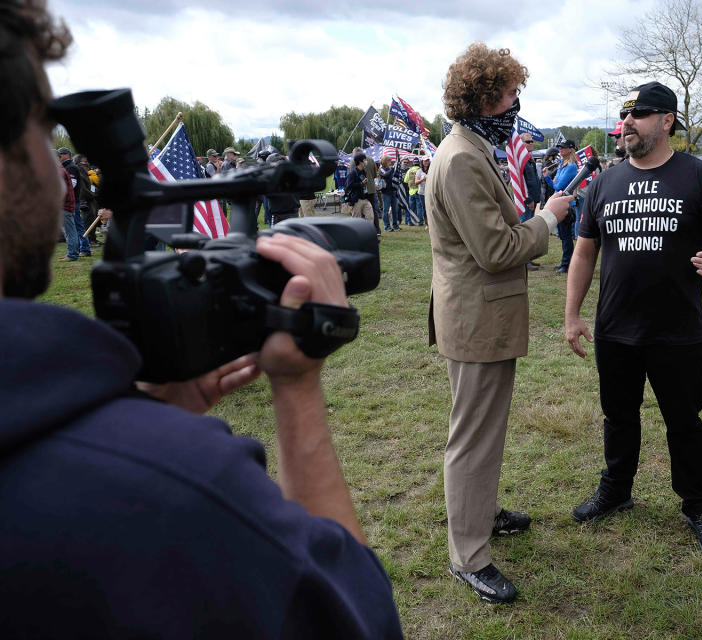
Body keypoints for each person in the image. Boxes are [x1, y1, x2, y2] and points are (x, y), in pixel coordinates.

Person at [0, 2, 403, 636]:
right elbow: (356, 616)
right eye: (40, 135)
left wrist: (145, 416)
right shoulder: (176, 487)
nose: (57, 173)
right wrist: (296, 388)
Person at [564, 81, 702, 558]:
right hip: (616, 329)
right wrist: (571, 315)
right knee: (618, 417)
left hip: (677, 330)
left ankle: (698, 505)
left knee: (684, 421)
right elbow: (584, 253)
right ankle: (616, 490)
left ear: (667, 121)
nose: (626, 124)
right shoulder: (604, 181)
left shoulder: (699, 176)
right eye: (625, 116)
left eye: (640, 114)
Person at [425, 42, 573, 604]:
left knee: (481, 433)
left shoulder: (471, 148)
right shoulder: (462, 156)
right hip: (476, 319)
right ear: (486, 98)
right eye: (511, 94)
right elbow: (495, 249)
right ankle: (469, 554)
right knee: (473, 440)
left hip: (477, 317)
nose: (517, 104)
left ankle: (479, 513)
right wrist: (546, 218)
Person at [543, 138, 579, 272]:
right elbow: (557, 184)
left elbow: (558, 185)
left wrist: (548, 178)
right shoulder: (562, 165)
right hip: (562, 201)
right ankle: (565, 262)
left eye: (563, 147)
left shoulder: (571, 166)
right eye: (560, 147)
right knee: (564, 235)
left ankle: (566, 264)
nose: (560, 149)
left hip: (566, 204)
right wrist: (551, 180)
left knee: (566, 236)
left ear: (570, 149)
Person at [58, 146, 92, 257]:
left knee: (77, 226)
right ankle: (83, 249)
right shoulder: (68, 167)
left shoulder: (71, 167)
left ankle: (84, 249)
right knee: (76, 226)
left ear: (67, 155)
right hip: (74, 201)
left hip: (74, 201)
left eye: (61, 154)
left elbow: (72, 184)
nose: (59, 156)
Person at [343, 152, 373, 224]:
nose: (366, 161)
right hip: (357, 199)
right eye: (365, 160)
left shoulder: (364, 171)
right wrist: (361, 183)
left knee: (370, 216)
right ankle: (356, 234)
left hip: (365, 198)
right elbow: (348, 185)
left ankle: (368, 233)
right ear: (360, 161)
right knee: (356, 220)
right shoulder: (353, 173)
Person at [379, 154, 401, 231]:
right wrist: (392, 169)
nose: (391, 162)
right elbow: (385, 175)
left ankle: (395, 225)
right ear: (385, 161)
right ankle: (387, 226)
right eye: (389, 161)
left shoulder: (390, 168)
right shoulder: (381, 169)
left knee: (395, 210)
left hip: (393, 191)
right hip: (386, 193)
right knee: (386, 210)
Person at [404, 158, 422, 225]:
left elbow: (405, 181)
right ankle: (420, 222)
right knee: (419, 208)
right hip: (419, 191)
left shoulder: (409, 170)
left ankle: (410, 222)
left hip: (411, 192)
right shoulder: (420, 170)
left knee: (411, 208)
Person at [414, 156, 430, 225]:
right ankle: (426, 223)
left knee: (431, 208)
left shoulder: (431, 169)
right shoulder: (419, 171)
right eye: (425, 161)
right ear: (422, 162)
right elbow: (416, 182)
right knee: (425, 208)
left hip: (430, 192)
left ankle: (431, 223)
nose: (426, 162)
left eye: (427, 161)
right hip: (422, 193)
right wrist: (423, 180)